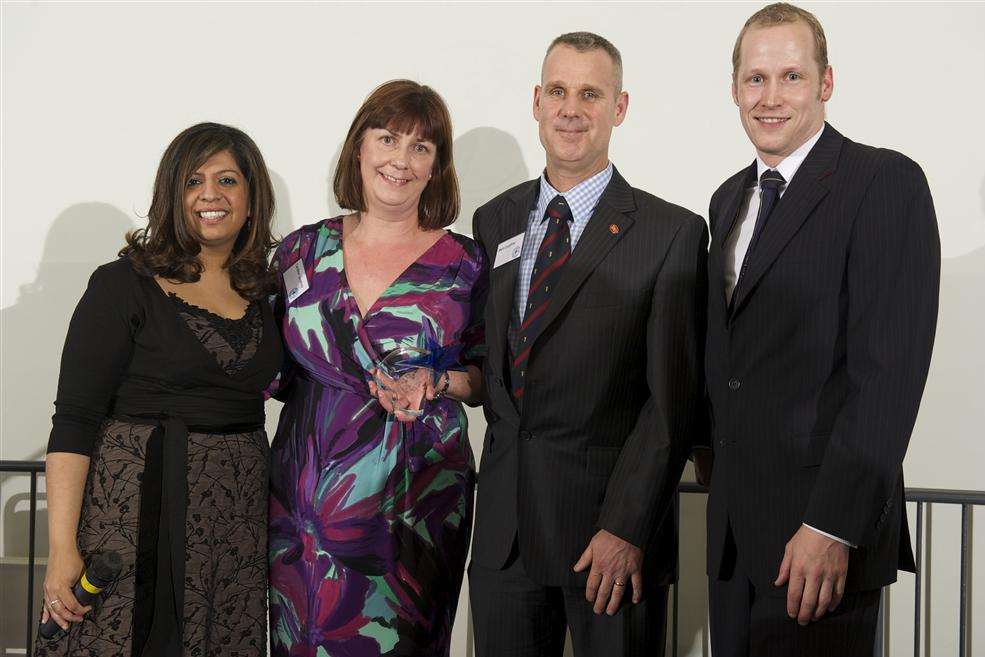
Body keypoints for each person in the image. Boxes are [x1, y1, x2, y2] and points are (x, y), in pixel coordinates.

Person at [701, 4, 941, 656]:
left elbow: (887, 375)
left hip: (817, 543)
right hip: (733, 546)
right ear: (733, 88)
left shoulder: (882, 181)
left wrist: (831, 525)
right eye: (754, 79)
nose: (769, 97)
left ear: (825, 82)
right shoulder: (727, 200)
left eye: (790, 77)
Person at [468, 32, 708, 657]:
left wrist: (626, 527)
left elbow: (670, 402)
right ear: (537, 102)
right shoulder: (494, 221)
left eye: (590, 94)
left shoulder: (670, 233)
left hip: (606, 542)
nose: (571, 109)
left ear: (619, 108)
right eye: (558, 91)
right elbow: (494, 364)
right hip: (502, 539)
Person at [36, 122, 282, 656]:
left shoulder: (268, 288)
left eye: (228, 180)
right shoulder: (121, 285)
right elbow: (74, 420)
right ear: (172, 193)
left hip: (235, 522)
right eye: (194, 180)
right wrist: (60, 549)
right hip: (133, 513)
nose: (211, 195)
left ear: (251, 196)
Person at [267, 80, 485, 657]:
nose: (400, 159)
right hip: (304, 505)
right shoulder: (299, 252)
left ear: (438, 166)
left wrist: (436, 382)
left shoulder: (465, 263)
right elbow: (264, 367)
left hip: (415, 505)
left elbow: (488, 376)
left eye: (421, 147)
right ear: (358, 148)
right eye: (387, 138)